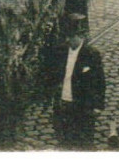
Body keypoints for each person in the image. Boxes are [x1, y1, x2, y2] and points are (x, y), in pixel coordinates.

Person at [43, 13, 106, 148]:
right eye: (67, 37)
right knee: (64, 141)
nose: (68, 40)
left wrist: (98, 105)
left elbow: (100, 81)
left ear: (80, 36)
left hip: (82, 107)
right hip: (63, 105)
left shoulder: (91, 54)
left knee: (84, 143)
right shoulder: (60, 52)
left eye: (71, 37)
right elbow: (52, 74)